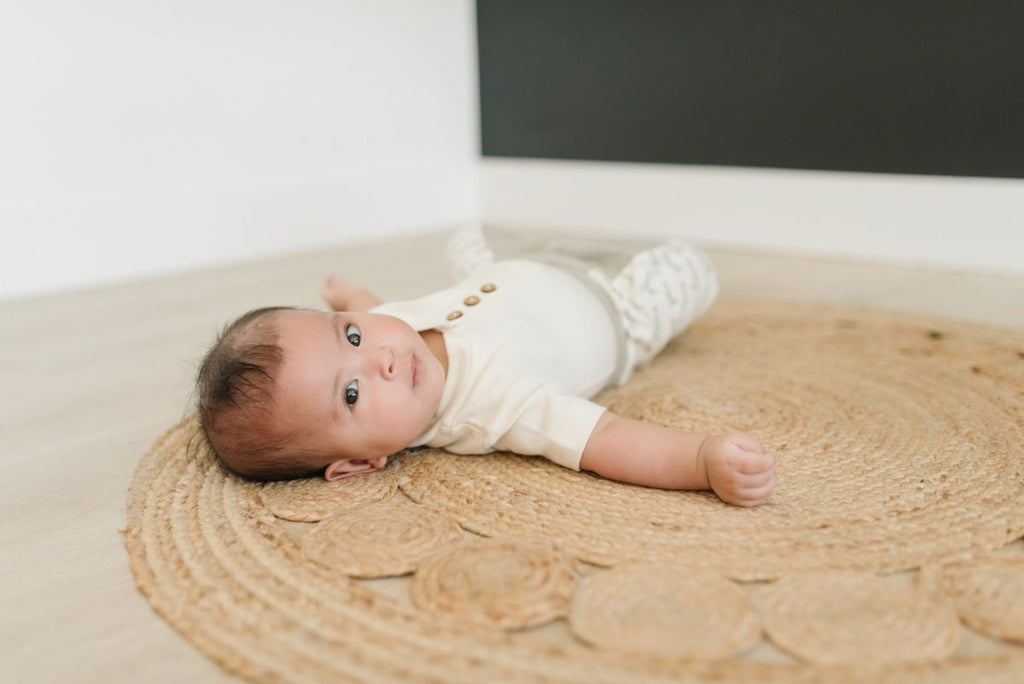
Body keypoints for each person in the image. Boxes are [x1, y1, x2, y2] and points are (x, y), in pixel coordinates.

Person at [197, 227, 777, 507]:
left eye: (348, 336)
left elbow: (376, 315)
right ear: (358, 463)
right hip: (622, 309)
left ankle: (490, 260)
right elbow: (610, 438)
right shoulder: (497, 406)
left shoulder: (385, 332)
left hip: (531, 268)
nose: (382, 358)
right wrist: (702, 460)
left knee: (491, 249)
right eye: (350, 395)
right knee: (690, 265)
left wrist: (353, 301)